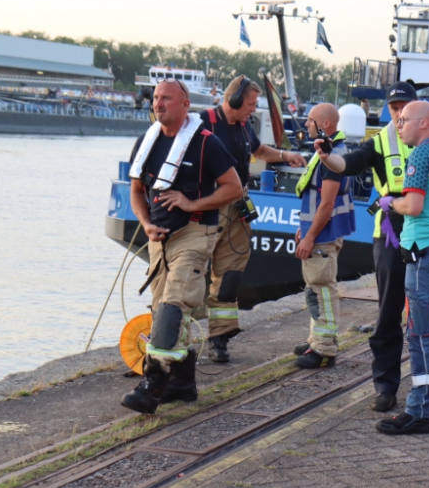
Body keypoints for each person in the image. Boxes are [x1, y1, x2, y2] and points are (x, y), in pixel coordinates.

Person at [316, 81, 429, 414]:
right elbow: (349, 164)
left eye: (404, 107)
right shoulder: (379, 142)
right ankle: (386, 387)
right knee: (389, 313)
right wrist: (327, 156)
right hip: (392, 234)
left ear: (417, 111)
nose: (398, 114)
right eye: (393, 108)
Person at [121, 79, 242, 414]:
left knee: (175, 303)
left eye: (167, 99)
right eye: (156, 98)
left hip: (194, 232)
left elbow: (234, 188)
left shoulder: (206, 144)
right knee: (163, 310)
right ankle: (183, 384)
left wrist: (192, 203)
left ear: (185, 104)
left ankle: (153, 383)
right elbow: (135, 192)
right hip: (159, 238)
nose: (158, 104)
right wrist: (146, 224)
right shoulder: (145, 142)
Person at [367, 101, 429, 434]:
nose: (398, 124)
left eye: (404, 119)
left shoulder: (422, 155)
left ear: (424, 124)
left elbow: (413, 204)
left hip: (423, 251)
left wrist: (388, 202)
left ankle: (417, 411)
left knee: (420, 333)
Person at [199, 76, 306, 363]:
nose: (252, 110)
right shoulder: (204, 122)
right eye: (249, 104)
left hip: (238, 207)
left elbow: (259, 151)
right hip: (210, 205)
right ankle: (178, 340)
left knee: (230, 274)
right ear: (234, 100)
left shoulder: (245, 126)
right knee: (193, 272)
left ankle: (218, 338)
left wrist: (286, 155)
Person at [291, 103, 355, 368]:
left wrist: (309, 237)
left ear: (325, 125)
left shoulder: (330, 158)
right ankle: (316, 339)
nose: (306, 124)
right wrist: (304, 230)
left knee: (322, 289)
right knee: (315, 287)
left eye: (310, 120)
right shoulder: (332, 152)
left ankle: (325, 348)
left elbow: (326, 204)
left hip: (323, 235)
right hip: (321, 232)